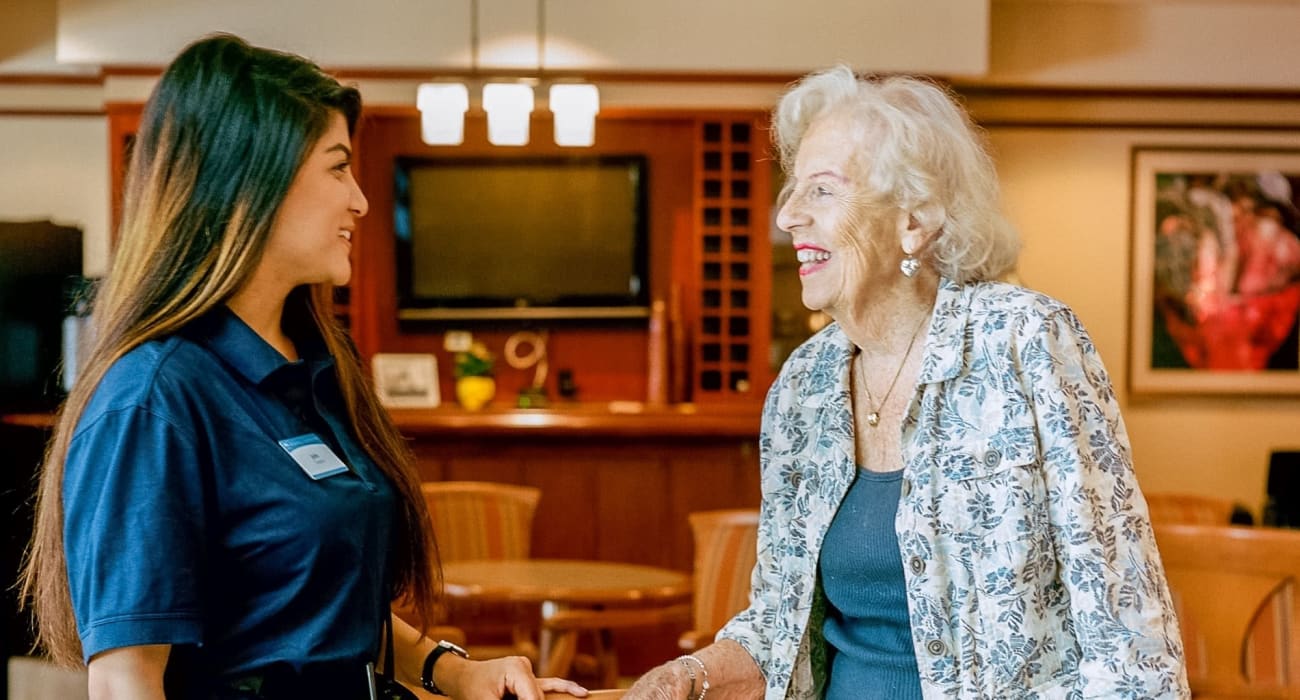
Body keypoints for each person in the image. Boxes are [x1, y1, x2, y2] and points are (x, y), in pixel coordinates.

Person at [19, 34, 587, 700]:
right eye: (337, 167)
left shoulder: (311, 369)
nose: (361, 202)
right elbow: (125, 681)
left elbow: (325, 610)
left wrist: (456, 671)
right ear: (249, 180)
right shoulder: (154, 399)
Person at [625, 67, 1188, 699]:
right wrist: (692, 674)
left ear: (914, 221)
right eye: (791, 190)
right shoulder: (802, 388)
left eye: (822, 192)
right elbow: (780, 628)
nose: (787, 215)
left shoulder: (1026, 342)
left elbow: (1127, 626)